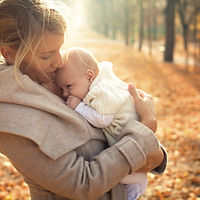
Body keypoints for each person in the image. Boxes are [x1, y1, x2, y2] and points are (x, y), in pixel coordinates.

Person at [0, 0, 167, 199]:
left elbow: (114, 120)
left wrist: (154, 150)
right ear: (9, 53)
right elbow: (82, 184)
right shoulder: (9, 116)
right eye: (46, 55)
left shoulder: (60, 75)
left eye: (59, 50)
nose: (59, 61)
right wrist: (146, 130)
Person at [55, 47, 153, 200]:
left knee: (125, 179)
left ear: (89, 76)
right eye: (61, 88)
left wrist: (79, 107)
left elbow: (103, 120)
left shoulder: (101, 90)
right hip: (131, 144)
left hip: (131, 143)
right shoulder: (98, 82)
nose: (65, 93)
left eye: (68, 86)